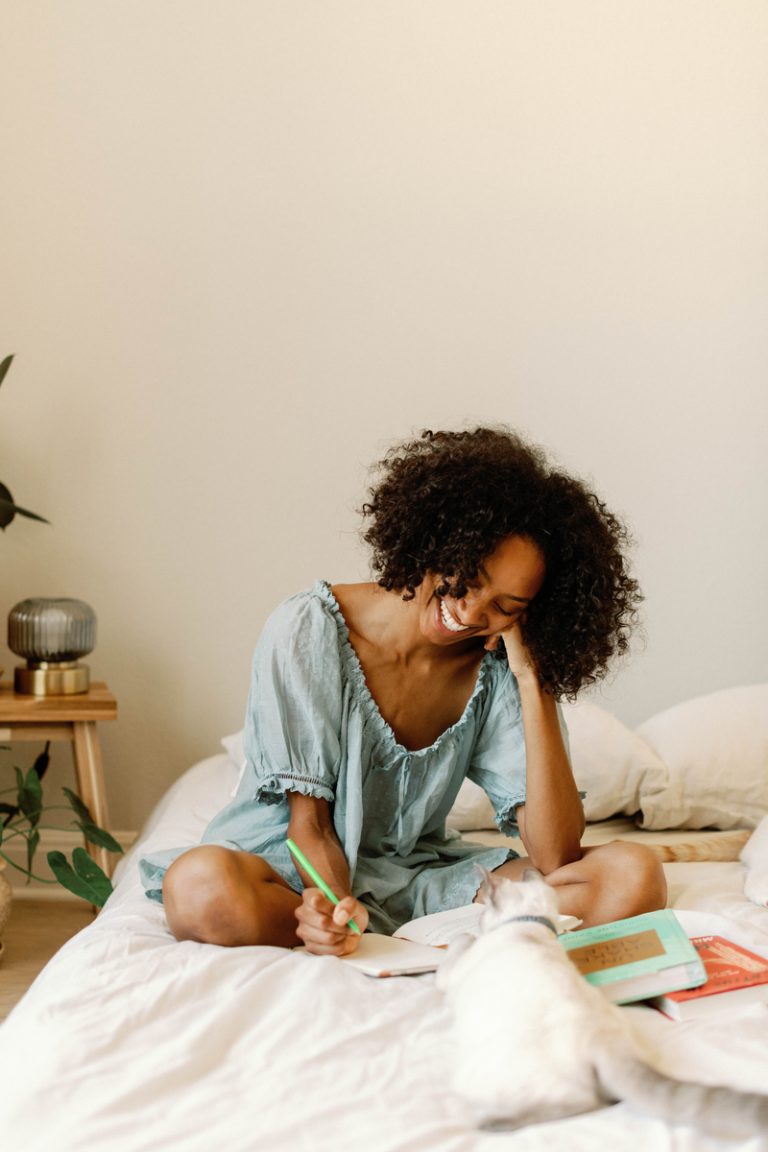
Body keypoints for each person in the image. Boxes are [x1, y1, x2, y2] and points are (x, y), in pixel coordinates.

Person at [140, 426, 666, 955]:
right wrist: (337, 909)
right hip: (291, 873)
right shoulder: (309, 628)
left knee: (633, 876)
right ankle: (356, 933)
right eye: (471, 575)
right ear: (441, 539)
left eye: (506, 606)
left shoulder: (497, 666)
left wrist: (535, 677)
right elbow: (310, 826)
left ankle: (395, 933)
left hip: (413, 879)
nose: (471, 610)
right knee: (198, 888)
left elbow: (555, 856)